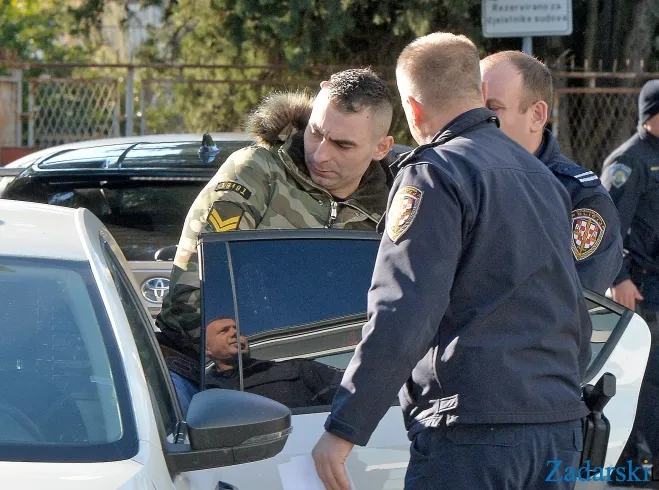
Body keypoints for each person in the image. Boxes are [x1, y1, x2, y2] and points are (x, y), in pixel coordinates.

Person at [312, 32, 591, 490]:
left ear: (413, 107)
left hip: (472, 434)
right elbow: (571, 306)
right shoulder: (544, 178)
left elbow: (403, 310)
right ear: (477, 92)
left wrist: (345, 426)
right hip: (556, 429)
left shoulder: (434, 172)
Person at [155, 68, 396, 410]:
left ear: (381, 147)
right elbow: (192, 296)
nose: (320, 154)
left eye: (343, 145)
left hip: (333, 390)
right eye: (316, 132)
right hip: (208, 378)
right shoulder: (256, 172)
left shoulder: (395, 211)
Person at [600, 79, 659, 485]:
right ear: (647, 116)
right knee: (654, 375)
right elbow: (606, 228)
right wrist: (617, 277)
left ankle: (629, 466)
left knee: (645, 376)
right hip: (640, 287)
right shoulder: (628, 161)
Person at [480, 50, 622, 295]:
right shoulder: (460, 182)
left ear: (537, 115)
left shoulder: (579, 198)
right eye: (474, 111)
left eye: (493, 109)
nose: (478, 121)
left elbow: (572, 300)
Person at [204, 317, 343, 409]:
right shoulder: (202, 393)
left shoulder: (298, 370)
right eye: (224, 331)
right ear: (207, 350)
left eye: (238, 331)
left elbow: (351, 394)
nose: (235, 333)